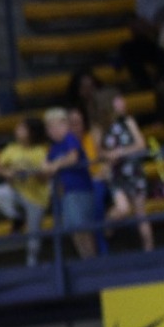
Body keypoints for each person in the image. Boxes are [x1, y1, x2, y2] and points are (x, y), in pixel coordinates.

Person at [96, 91, 155, 253]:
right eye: (118, 100)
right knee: (122, 208)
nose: (123, 102)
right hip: (116, 174)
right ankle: (106, 229)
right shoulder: (100, 127)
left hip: (134, 172)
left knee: (140, 213)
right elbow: (100, 152)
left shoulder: (128, 121)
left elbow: (141, 145)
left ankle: (149, 250)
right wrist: (109, 155)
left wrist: (120, 152)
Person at [0, 117, 51, 267]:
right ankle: (18, 216)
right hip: (18, 192)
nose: (17, 130)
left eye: (22, 128)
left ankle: (32, 265)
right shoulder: (11, 149)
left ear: (31, 133)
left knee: (34, 235)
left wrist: (32, 172)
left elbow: (45, 177)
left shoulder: (39, 152)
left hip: (36, 197)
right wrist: (7, 172)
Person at [43, 108, 98, 260]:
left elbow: (73, 157)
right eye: (50, 128)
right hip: (66, 194)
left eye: (57, 126)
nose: (54, 131)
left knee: (83, 229)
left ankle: (92, 260)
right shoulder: (53, 149)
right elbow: (46, 167)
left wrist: (56, 165)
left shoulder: (70, 139)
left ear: (65, 125)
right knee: (74, 230)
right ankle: (85, 259)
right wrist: (50, 166)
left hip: (81, 190)